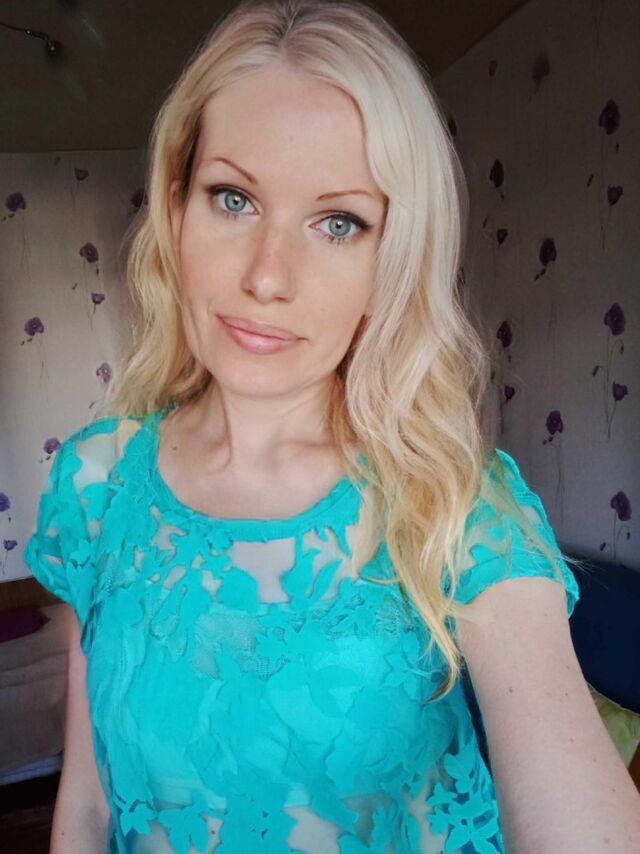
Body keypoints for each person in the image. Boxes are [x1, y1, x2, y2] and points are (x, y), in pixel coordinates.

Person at [23, 1, 640, 852]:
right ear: (176, 208)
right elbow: (89, 805)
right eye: (233, 198)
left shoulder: (458, 505)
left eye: (338, 222)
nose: (268, 277)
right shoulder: (96, 485)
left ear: (393, 258)